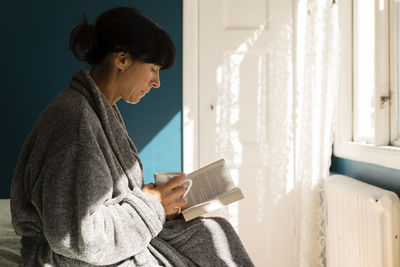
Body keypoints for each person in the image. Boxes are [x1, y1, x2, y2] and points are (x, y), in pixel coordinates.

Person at [10, 7, 254, 266]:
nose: (157, 82)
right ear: (122, 59)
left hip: (101, 242)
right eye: (153, 68)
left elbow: (107, 197)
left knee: (215, 232)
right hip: (69, 258)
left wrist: (155, 199)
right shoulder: (76, 122)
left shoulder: (99, 108)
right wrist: (152, 205)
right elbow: (76, 237)